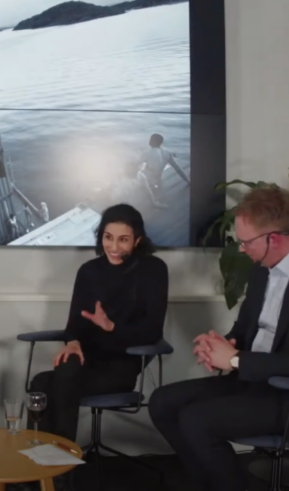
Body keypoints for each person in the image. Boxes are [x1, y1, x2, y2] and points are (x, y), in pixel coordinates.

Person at [148, 186, 289, 491]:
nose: (242, 249)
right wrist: (224, 344)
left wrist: (236, 360)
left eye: (246, 242)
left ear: (275, 239)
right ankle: (207, 483)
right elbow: (245, 328)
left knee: (197, 420)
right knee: (162, 403)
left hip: (282, 393)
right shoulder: (261, 271)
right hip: (250, 380)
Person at [28, 203, 169, 443]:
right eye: (108, 237)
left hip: (121, 366)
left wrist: (111, 327)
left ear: (137, 240)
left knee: (58, 381)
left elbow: (152, 331)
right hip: (85, 361)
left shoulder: (154, 270)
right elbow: (74, 324)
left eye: (123, 240)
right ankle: (38, 457)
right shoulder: (88, 271)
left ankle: (58, 461)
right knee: (42, 381)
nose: (113, 247)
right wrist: (73, 341)